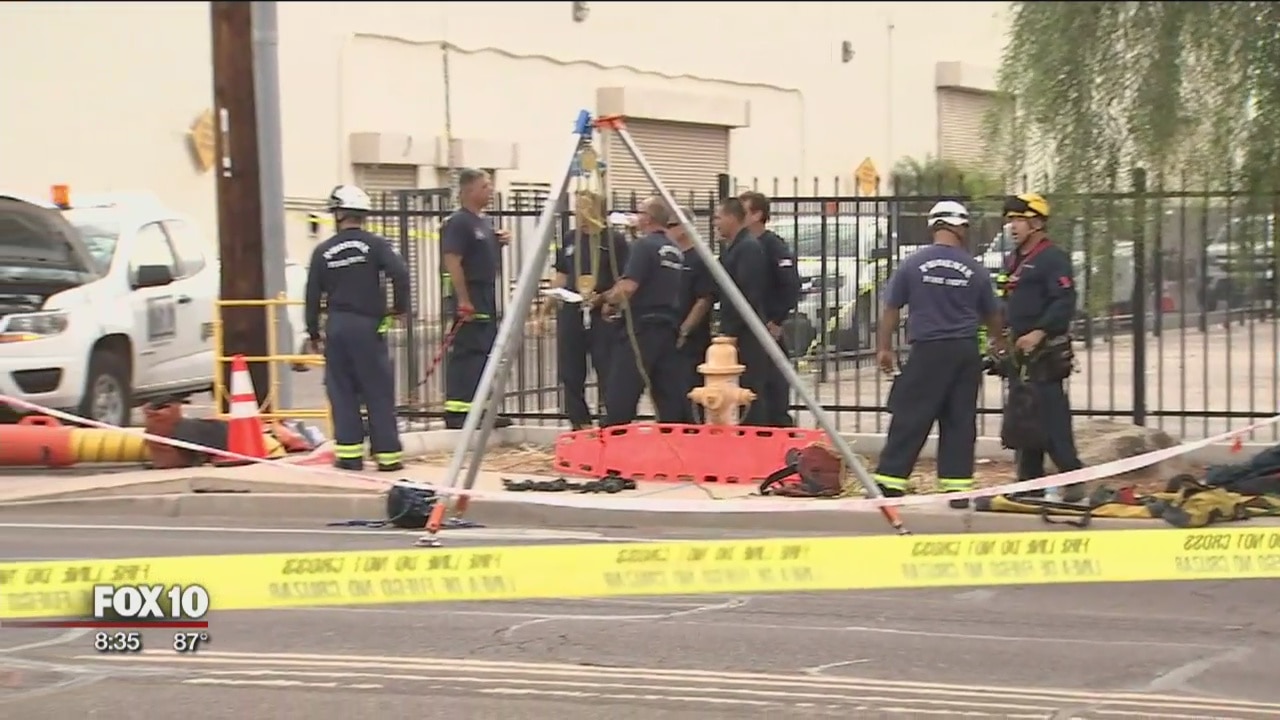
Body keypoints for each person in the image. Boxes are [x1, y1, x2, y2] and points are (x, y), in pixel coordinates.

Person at [872, 200, 1005, 509]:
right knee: (959, 420)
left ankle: (891, 483)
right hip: (964, 352)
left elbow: (891, 308)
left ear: (934, 226)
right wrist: (999, 342)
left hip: (928, 350)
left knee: (910, 416)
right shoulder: (975, 269)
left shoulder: (912, 264)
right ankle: (957, 490)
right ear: (959, 227)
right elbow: (993, 313)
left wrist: (884, 348)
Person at [304, 184, 411, 471]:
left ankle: (349, 457)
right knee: (377, 389)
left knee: (342, 391)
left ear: (338, 214)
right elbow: (400, 274)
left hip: (337, 326)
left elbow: (312, 295)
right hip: (368, 325)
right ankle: (388, 456)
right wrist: (399, 307)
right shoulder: (376, 245)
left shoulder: (322, 251)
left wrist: (313, 332)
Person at [1000, 192, 1085, 502]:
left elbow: (1064, 301)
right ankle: (1028, 483)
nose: (1012, 226)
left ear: (1035, 223)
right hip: (1019, 355)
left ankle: (1073, 478)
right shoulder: (1014, 260)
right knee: (1025, 420)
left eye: (1018, 220)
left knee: (1052, 418)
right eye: (1010, 220)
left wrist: (1039, 332)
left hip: (1045, 355)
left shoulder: (1052, 259)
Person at [599, 196, 688, 426]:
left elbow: (628, 287)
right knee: (667, 395)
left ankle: (611, 445)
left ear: (648, 218)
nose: (636, 217)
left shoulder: (644, 245)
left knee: (622, 392)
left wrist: (608, 300)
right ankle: (674, 443)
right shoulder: (674, 249)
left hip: (641, 329)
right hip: (667, 328)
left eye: (639, 213)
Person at [547, 191, 630, 430]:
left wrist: (605, 297)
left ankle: (610, 421)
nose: (579, 212)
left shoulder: (614, 240)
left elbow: (624, 278)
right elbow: (562, 274)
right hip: (572, 311)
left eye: (583, 206)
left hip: (601, 312)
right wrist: (546, 307)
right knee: (570, 370)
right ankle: (579, 422)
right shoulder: (571, 238)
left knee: (607, 368)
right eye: (577, 206)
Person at [440, 168, 512, 430]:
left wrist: (498, 241)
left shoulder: (482, 222)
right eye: (485, 186)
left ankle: (480, 408)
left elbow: (479, 249)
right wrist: (463, 299)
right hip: (471, 293)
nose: (490, 190)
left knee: (484, 352)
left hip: (486, 293)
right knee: (469, 352)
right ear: (469, 190)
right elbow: (453, 260)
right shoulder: (459, 222)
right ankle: (458, 411)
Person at [740, 191, 801, 426]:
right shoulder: (741, 246)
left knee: (773, 388)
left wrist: (776, 320)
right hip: (749, 329)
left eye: (743, 211)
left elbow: (790, 285)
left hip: (767, 326)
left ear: (757, 214)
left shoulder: (772, 245)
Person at [714, 197, 772, 426]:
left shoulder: (747, 248)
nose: (714, 223)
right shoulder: (734, 248)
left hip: (747, 334)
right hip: (736, 331)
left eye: (718, 217)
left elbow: (747, 294)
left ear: (731, 217)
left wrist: (733, 332)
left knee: (749, 392)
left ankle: (757, 440)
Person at [666, 205, 715, 418]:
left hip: (690, 340)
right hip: (667, 333)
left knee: (690, 392)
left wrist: (685, 330)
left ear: (683, 228)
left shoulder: (699, 259)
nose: (666, 230)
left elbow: (704, 299)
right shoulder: (669, 256)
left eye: (670, 225)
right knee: (670, 393)